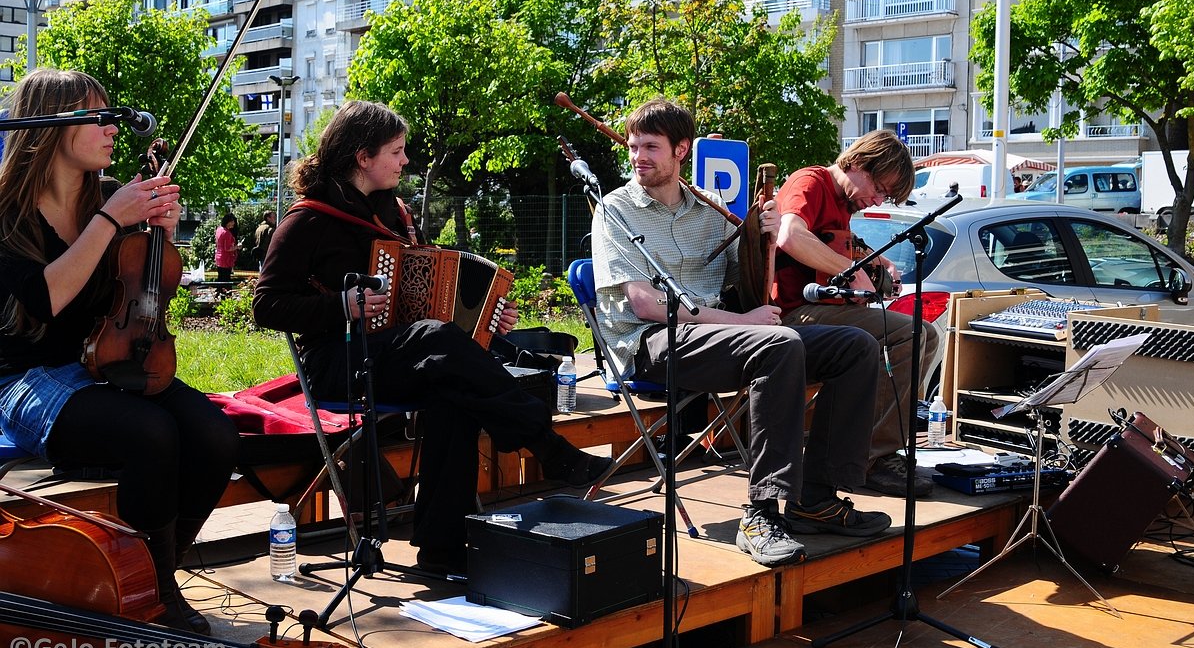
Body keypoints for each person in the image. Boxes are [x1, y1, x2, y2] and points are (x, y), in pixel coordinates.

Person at [253, 100, 611, 575]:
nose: (405, 161)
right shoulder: (307, 221)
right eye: (396, 151)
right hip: (337, 365)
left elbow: (429, 296)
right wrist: (342, 306)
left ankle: (443, 549)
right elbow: (266, 307)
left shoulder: (395, 215)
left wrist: (488, 320)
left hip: (405, 356)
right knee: (440, 348)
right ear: (363, 156)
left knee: (454, 390)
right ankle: (545, 445)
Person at [590, 98, 890, 568]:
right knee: (779, 344)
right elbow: (646, 304)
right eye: (634, 146)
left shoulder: (708, 213)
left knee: (856, 346)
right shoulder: (615, 210)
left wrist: (762, 235)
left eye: (651, 146)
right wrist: (743, 322)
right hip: (652, 342)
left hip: (716, 335)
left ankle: (815, 499)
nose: (638, 156)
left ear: (681, 151)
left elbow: (747, 284)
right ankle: (762, 512)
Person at [0, 68, 239, 635]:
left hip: (103, 361)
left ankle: (150, 575)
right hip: (24, 377)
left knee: (215, 434)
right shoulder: (8, 215)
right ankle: (161, 595)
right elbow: (46, 298)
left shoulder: (107, 200)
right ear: (52, 126)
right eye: (97, 115)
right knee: (149, 435)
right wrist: (110, 222)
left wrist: (158, 236)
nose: (112, 127)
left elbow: (136, 294)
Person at [773, 129, 942, 498]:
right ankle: (870, 457)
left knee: (922, 333)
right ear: (860, 163)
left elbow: (830, 245)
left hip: (817, 312)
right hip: (791, 315)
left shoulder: (843, 205)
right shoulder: (811, 182)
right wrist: (848, 271)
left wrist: (874, 262)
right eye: (879, 188)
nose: (876, 200)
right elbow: (789, 236)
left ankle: (872, 451)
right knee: (913, 333)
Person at [214, 212, 238, 282]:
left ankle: (219, 291)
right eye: (232, 221)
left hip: (219, 257)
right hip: (225, 259)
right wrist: (237, 247)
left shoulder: (219, 229)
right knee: (226, 279)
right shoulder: (226, 233)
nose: (234, 223)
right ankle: (226, 292)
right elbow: (227, 248)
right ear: (228, 222)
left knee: (220, 277)